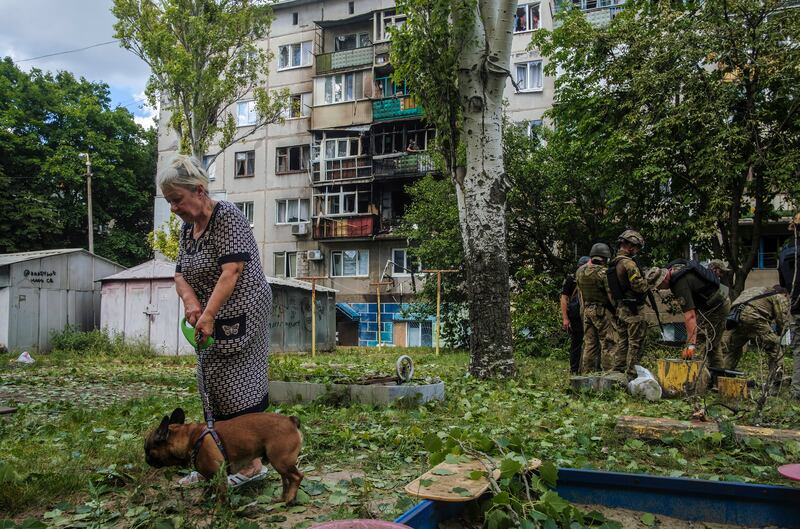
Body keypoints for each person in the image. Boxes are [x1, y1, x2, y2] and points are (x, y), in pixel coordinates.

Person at [158, 154, 273, 487]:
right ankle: (214, 460)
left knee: (238, 385)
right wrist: (191, 301)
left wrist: (208, 313)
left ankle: (251, 466)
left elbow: (232, 270)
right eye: (169, 202)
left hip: (244, 309)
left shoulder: (227, 217)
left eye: (176, 200)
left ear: (198, 190)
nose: (173, 208)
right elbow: (180, 274)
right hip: (212, 313)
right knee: (210, 381)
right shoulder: (188, 229)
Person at [646, 261, 730, 370]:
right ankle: (718, 377)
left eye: (659, 286)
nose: (660, 289)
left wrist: (690, 345)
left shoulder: (679, 284)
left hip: (718, 305)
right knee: (712, 343)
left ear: (664, 279)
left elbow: (690, 316)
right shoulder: (677, 268)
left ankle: (693, 380)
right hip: (716, 301)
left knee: (700, 341)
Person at [607, 230, 649, 379]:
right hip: (633, 310)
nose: (637, 251)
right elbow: (639, 287)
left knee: (622, 341)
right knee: (635, 342)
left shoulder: (613, 263)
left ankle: (617, 372)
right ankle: (632, 375)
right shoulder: (628, 263)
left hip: (621, 309)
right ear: (630, 245)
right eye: (637, 247)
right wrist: (649, 279)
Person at [724, 285, 791, 376]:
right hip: (755, 317)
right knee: (774, 347)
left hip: (737, 317)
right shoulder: (780, 296)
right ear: (785, 295)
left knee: (733, 349)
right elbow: (782, 319)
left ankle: (722, 376)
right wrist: (781, 335)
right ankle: (777, 379)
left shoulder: (755, 289)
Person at [576, 243, 616, 373]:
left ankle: (587, 374)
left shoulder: (580, 271)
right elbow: (610, 294)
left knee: (590, 344)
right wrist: (616, 311)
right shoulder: (603, 273)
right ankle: (608, 374)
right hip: (602, 312)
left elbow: (580, 292)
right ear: (605, 258)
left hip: (587, 311)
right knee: (608, 344)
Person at [779, 212, 800, 399]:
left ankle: (796, 391)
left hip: (794, 306)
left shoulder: (785, 253)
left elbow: (784, 286)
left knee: (797, 351)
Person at [561, 256, 590, 375]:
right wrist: (565, 318)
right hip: (576, 316)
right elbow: (564, 298)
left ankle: (588, 369)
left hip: (589, 315)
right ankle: (574, 370)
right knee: (576, 343)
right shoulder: (571, 279)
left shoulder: (591, 277)